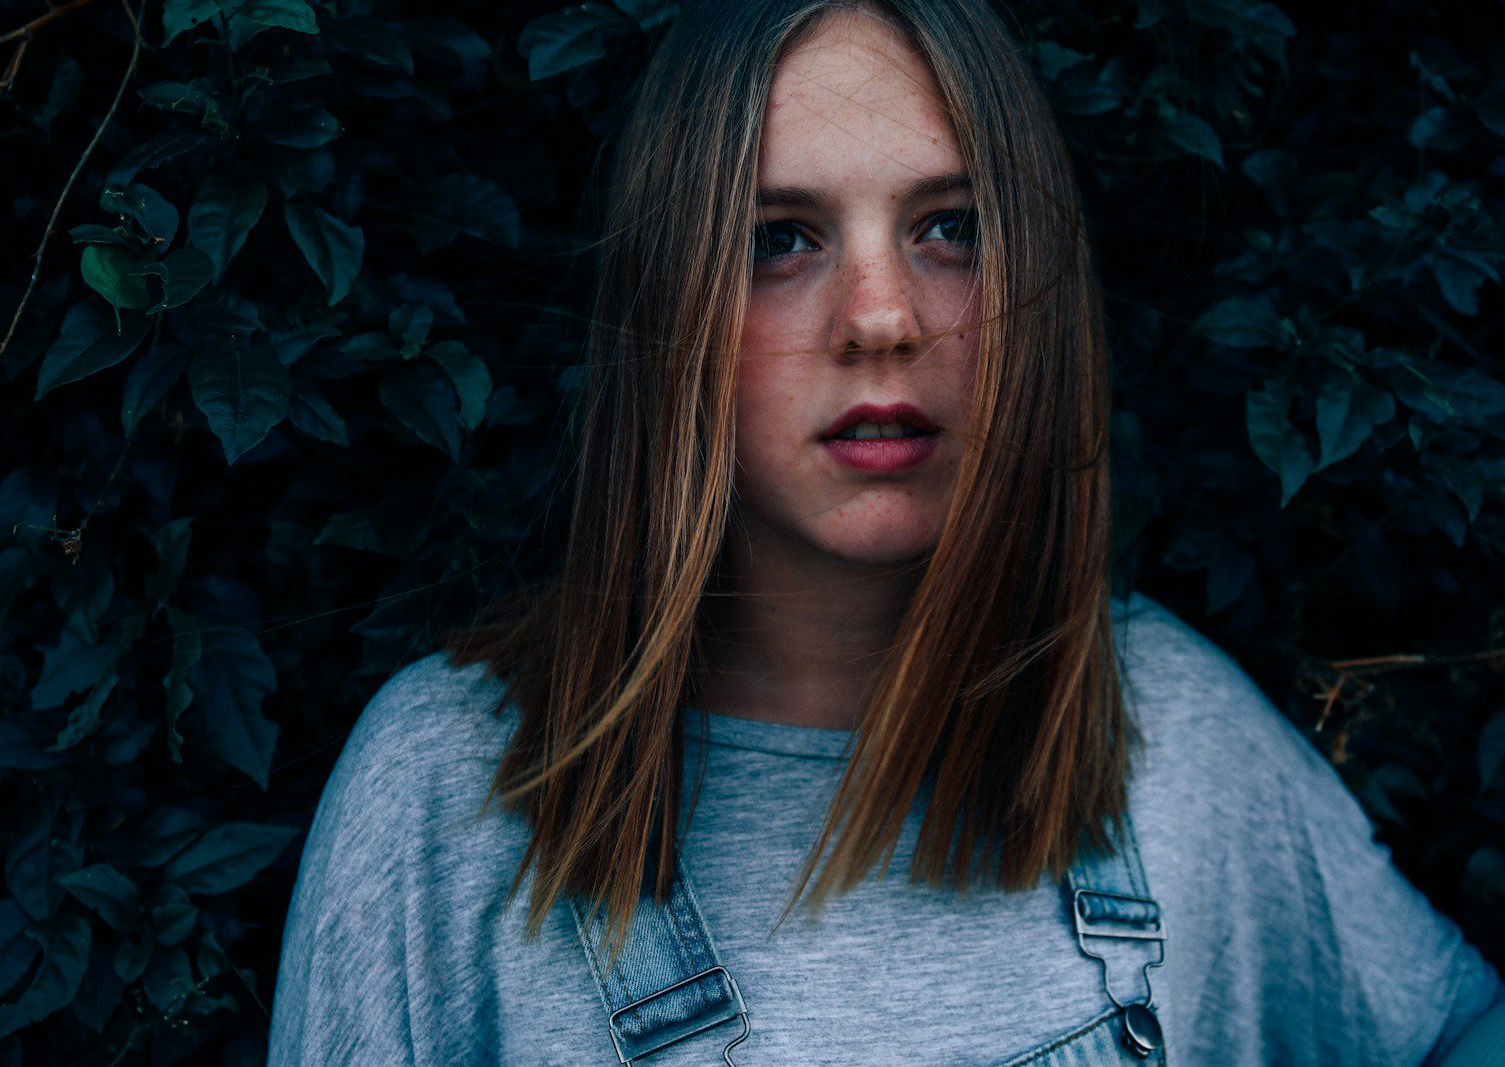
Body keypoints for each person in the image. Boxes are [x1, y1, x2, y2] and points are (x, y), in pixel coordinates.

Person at [267, 1, 1504, 1063]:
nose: (881, 316)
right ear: (668, 301)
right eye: (779, 239)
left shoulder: (1160, 731)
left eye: (949, 226)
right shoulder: (448, 795)